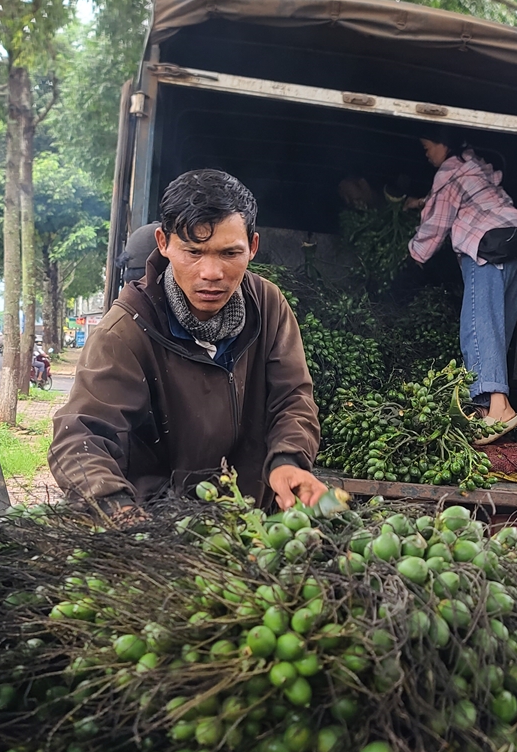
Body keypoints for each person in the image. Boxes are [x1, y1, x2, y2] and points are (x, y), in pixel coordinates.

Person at [50, 169, 326, 512]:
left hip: (253, 522)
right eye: (193, 252)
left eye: (229, 253)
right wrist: (116, 511)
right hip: (161, 527)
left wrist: (288, 458)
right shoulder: (125, 330)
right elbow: (81, 436)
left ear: (252, 247)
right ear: (163, 243)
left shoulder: (267, 305)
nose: (211, 272)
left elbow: (292, 397)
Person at [407, 129, 517, 441]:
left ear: (443, 143)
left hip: (487, 245)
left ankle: (499, 410)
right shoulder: (473, 165)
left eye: (427, 145)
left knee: (477, 327)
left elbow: (435, 225)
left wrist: (414, 254)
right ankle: (486, 408)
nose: (426, 153)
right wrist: (422, 201)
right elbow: (457, 198)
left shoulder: (450, 171)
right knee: (497, 328)